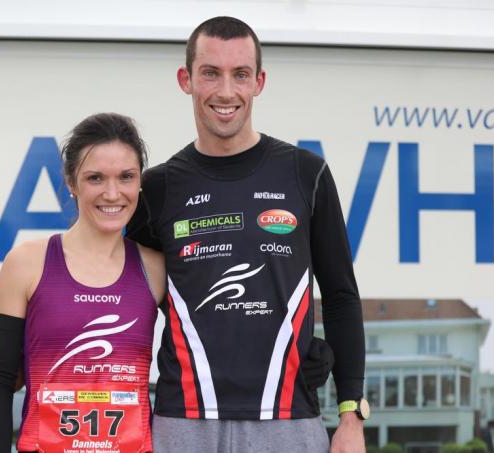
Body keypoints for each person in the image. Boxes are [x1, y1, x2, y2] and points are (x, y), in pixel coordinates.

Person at [123, 16, 366, 453]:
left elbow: (341, 296)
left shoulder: (305, 174)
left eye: (240, 74)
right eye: (210, 73)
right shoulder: (157, 189)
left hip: (288, 421)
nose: (226, 91)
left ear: (259, 82)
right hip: (183, 423)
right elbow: (122, 297)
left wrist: (351, 416)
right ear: (185, 80)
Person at [0, 112, 166, 453]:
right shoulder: (26, 263)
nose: (113, 193)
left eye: (126, 177)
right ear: (71, 182)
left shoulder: (156, 268)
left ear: (140, 181)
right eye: (95, 178)